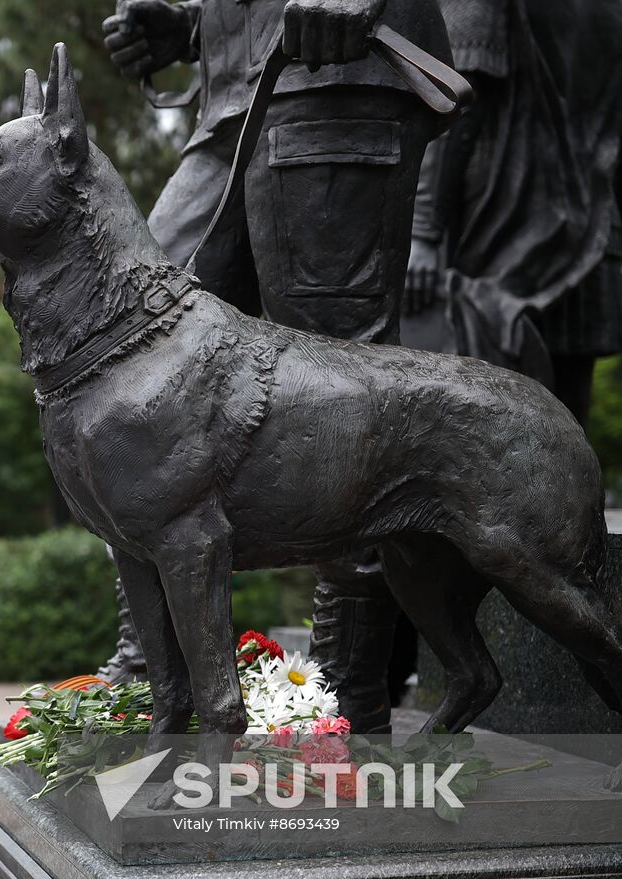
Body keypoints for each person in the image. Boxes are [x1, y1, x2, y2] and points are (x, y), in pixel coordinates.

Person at [96, 0, 450, 733]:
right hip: (234, 99)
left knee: (344, 396)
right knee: (126, 360)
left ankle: (343, 697)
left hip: (337, 74)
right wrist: (194, 26)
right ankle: (153, 677)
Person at [402, 0, 622, 427]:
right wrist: (608, 228)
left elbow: (454, 100)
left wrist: (422, 231)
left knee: (486, 431)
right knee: (568, 425)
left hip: (499, 236)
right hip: (594, 244)